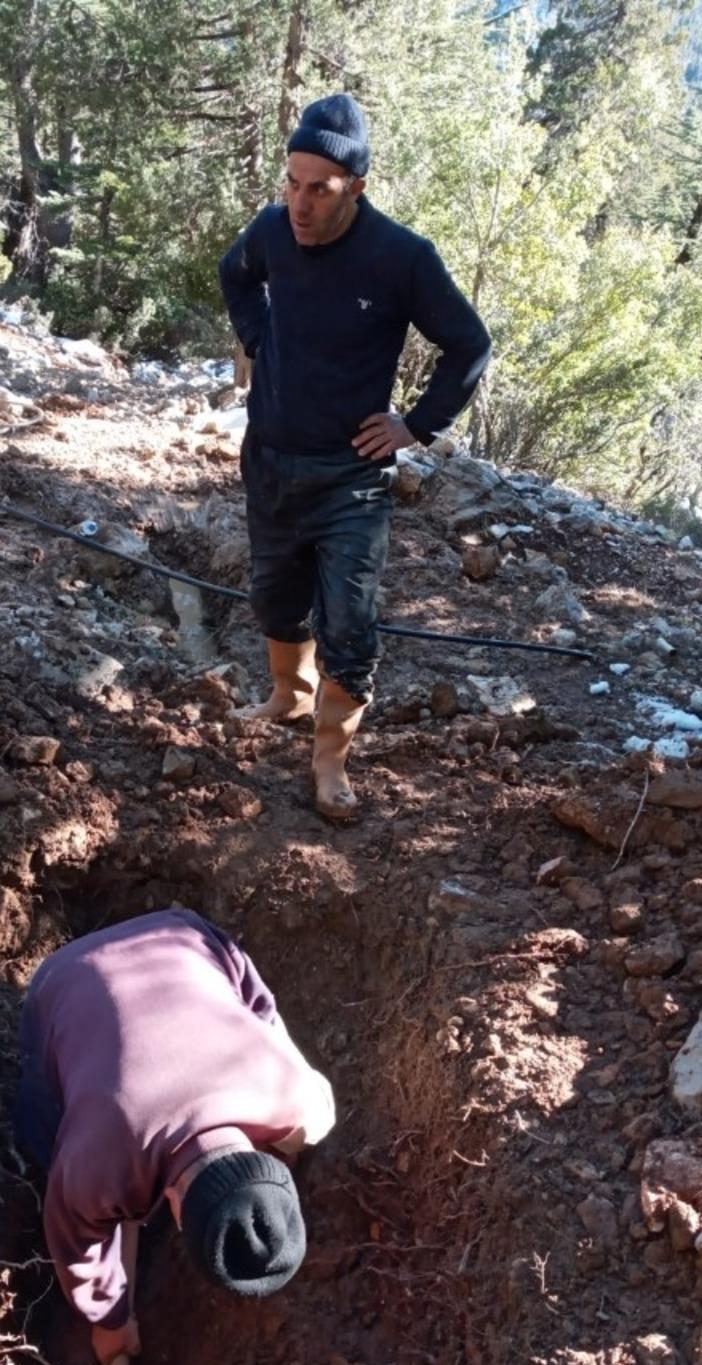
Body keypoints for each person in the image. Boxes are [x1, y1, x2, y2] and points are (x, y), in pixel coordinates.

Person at [218, 92, 492, 820]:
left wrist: (418, 425)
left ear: (356, 188)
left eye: (320, 190)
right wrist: (257, 335)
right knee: (275, 593)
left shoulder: (401, 258)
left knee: (350, 621)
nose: (300, 205)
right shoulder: (273, 231)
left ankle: (330, 759)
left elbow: (469, 344)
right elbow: (235, 274)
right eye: (292, 183)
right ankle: (287, 695)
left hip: (351, 475)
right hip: (271, 457)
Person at [16, 909, 336, 1365]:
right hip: (60, 979)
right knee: (40, 1127)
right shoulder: (93, 1167)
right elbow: (75, 1243)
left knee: (256, 1009)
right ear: (174, 1211)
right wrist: (109, 1321)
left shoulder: (299, 1102)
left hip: (183, 933)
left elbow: (264, 1016)